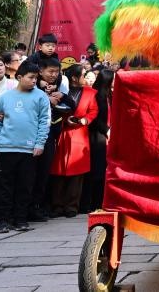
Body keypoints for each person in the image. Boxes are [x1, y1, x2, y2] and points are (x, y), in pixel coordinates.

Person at [0, 62, 51, 233]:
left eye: (36, 78)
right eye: (31, 77)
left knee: (25, 186)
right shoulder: (5, 97)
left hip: (29, 149)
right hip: (6, 148)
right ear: (19, 77)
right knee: (4, 186)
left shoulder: (41, 97)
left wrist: (40, 143)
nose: (34, 81)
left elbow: (44, 122)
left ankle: (20, 219)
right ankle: (3, 220)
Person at [50, 65, 99, 217]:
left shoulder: (91, 93)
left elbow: (93, 111)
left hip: (79, 133)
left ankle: (72, 206)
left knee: (77, 173)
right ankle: (56, 206)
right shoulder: (61, 90)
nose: (86, 77)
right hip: (61, 133)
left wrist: (84, 120)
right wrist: (64, 120)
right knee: (57, 172)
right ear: (74, 78)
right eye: (83, 75)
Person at [29, 56, 73, 222]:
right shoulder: (32, 87)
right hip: (31, 135)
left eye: (57, 72)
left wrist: (61, 96)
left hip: (50, 135)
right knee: (30, 173)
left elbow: (72, 106)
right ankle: (26, 208)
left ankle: (38, 206)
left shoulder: (59, 86)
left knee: (44, 172)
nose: (54, 75)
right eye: (51, 71)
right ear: (40, 71)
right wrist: (46, 99)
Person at [81, 66, 113, 213]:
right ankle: (92, 204)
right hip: (97, 137)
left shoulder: (110, 96)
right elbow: (95, 118)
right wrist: (106, 130)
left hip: (108, 137)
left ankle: (102, 202)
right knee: (96, 172)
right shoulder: (96, 96)